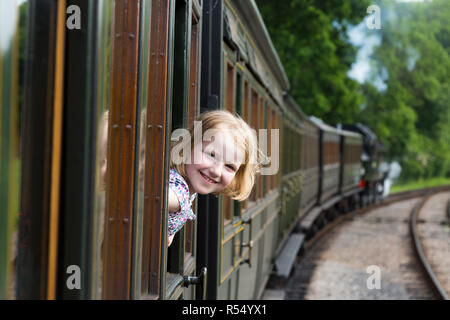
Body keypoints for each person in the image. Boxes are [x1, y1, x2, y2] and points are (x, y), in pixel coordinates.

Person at [167, 110, 261, 246]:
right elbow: (155, 198)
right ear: (187, 146)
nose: (216, 171)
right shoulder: (178, 191)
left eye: (229, 166)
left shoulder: (186, 190)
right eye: (211, 155)